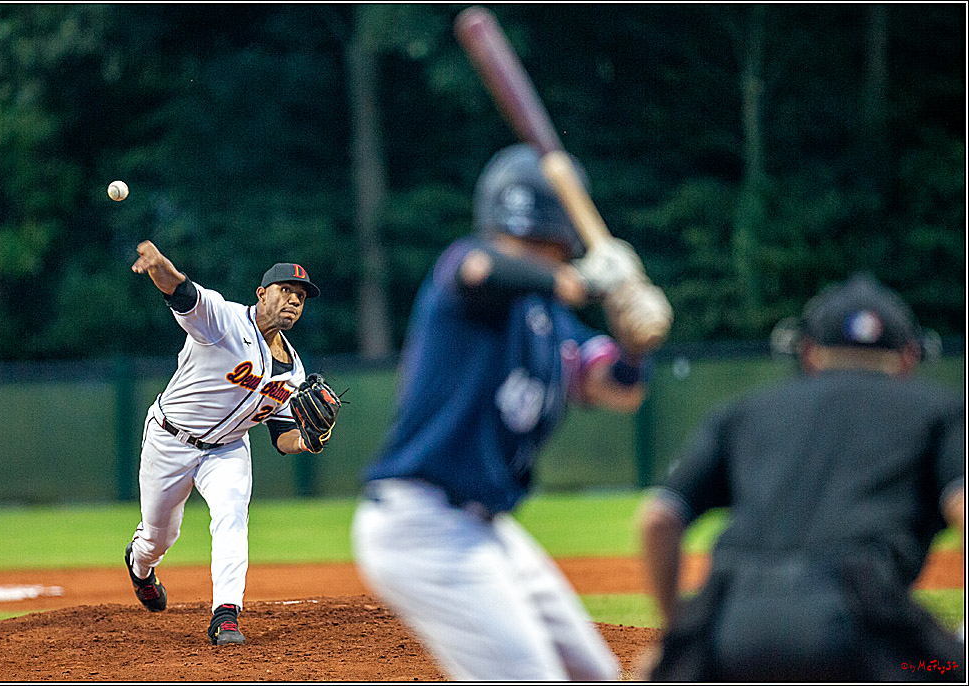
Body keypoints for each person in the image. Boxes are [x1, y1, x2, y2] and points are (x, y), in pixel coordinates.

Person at [351, 144, 672, 680]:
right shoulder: (467, 277)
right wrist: (587, 283)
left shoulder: (545, 319)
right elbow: (482, 267)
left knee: (597, 674)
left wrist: (635, 342)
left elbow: (617, 387)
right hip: (421, 525)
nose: (516, 249)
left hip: (484, 527)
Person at [641, 273, 965, 681]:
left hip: (729, 620)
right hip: (860, 621)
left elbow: (658, 518)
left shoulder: (742, 411)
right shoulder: (940, 410)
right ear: (908, 357)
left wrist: (677, 637)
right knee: (939, 666)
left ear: (809, 353)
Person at [124, 241, 341, 646]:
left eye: (301, 297)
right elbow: (182, 292)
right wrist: (158, 267)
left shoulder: (294, 371)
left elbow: (281, 436)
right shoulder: (223, 320)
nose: (294, 300)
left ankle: (226, 615)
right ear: (262, 293)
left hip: (227, 449)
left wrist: (310, 441)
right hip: (170, 440)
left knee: (232, 516)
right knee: (158, 536)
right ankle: (139, 567)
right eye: (285, 291)